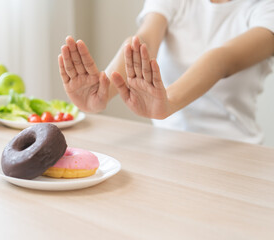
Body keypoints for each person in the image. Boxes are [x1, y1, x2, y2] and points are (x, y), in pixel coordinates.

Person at [58, 0, 274, 144]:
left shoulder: (266, 8)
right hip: (164, 147)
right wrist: (104, 90)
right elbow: (145, 41)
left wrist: (168, 101)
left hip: (236, 151)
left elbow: (222, 60)